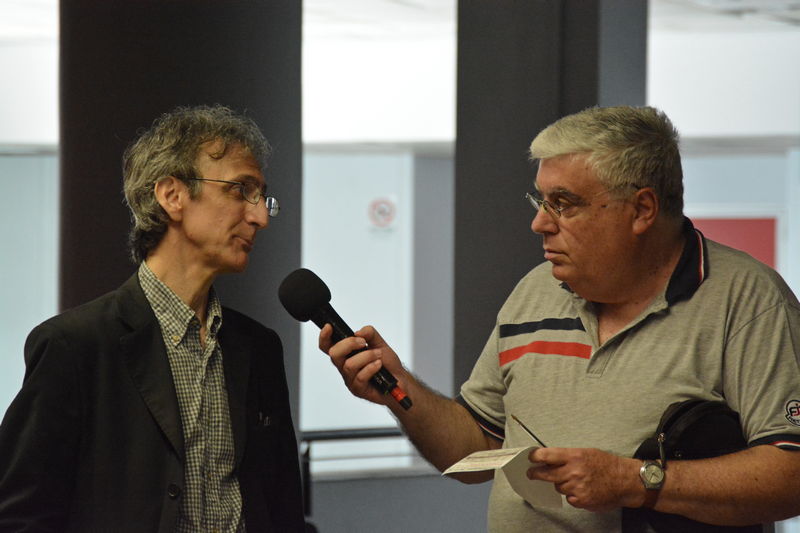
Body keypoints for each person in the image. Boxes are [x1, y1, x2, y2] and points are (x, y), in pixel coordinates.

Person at [319, 106, 800, 531]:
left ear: (642, 209)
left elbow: (792, 474)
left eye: (564, 204)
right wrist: (400, 388)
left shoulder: (748, 301)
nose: (540, 223)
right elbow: (474, 451)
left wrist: (637, 482)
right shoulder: (535, 292)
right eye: (541, 201)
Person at [0, 105, 305, 532]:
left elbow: (284, 510)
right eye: (240, 190)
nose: (260, 217)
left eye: (262, 197)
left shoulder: (259, 347)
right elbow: (20, 516)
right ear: (172, 195)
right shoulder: (74, 346)